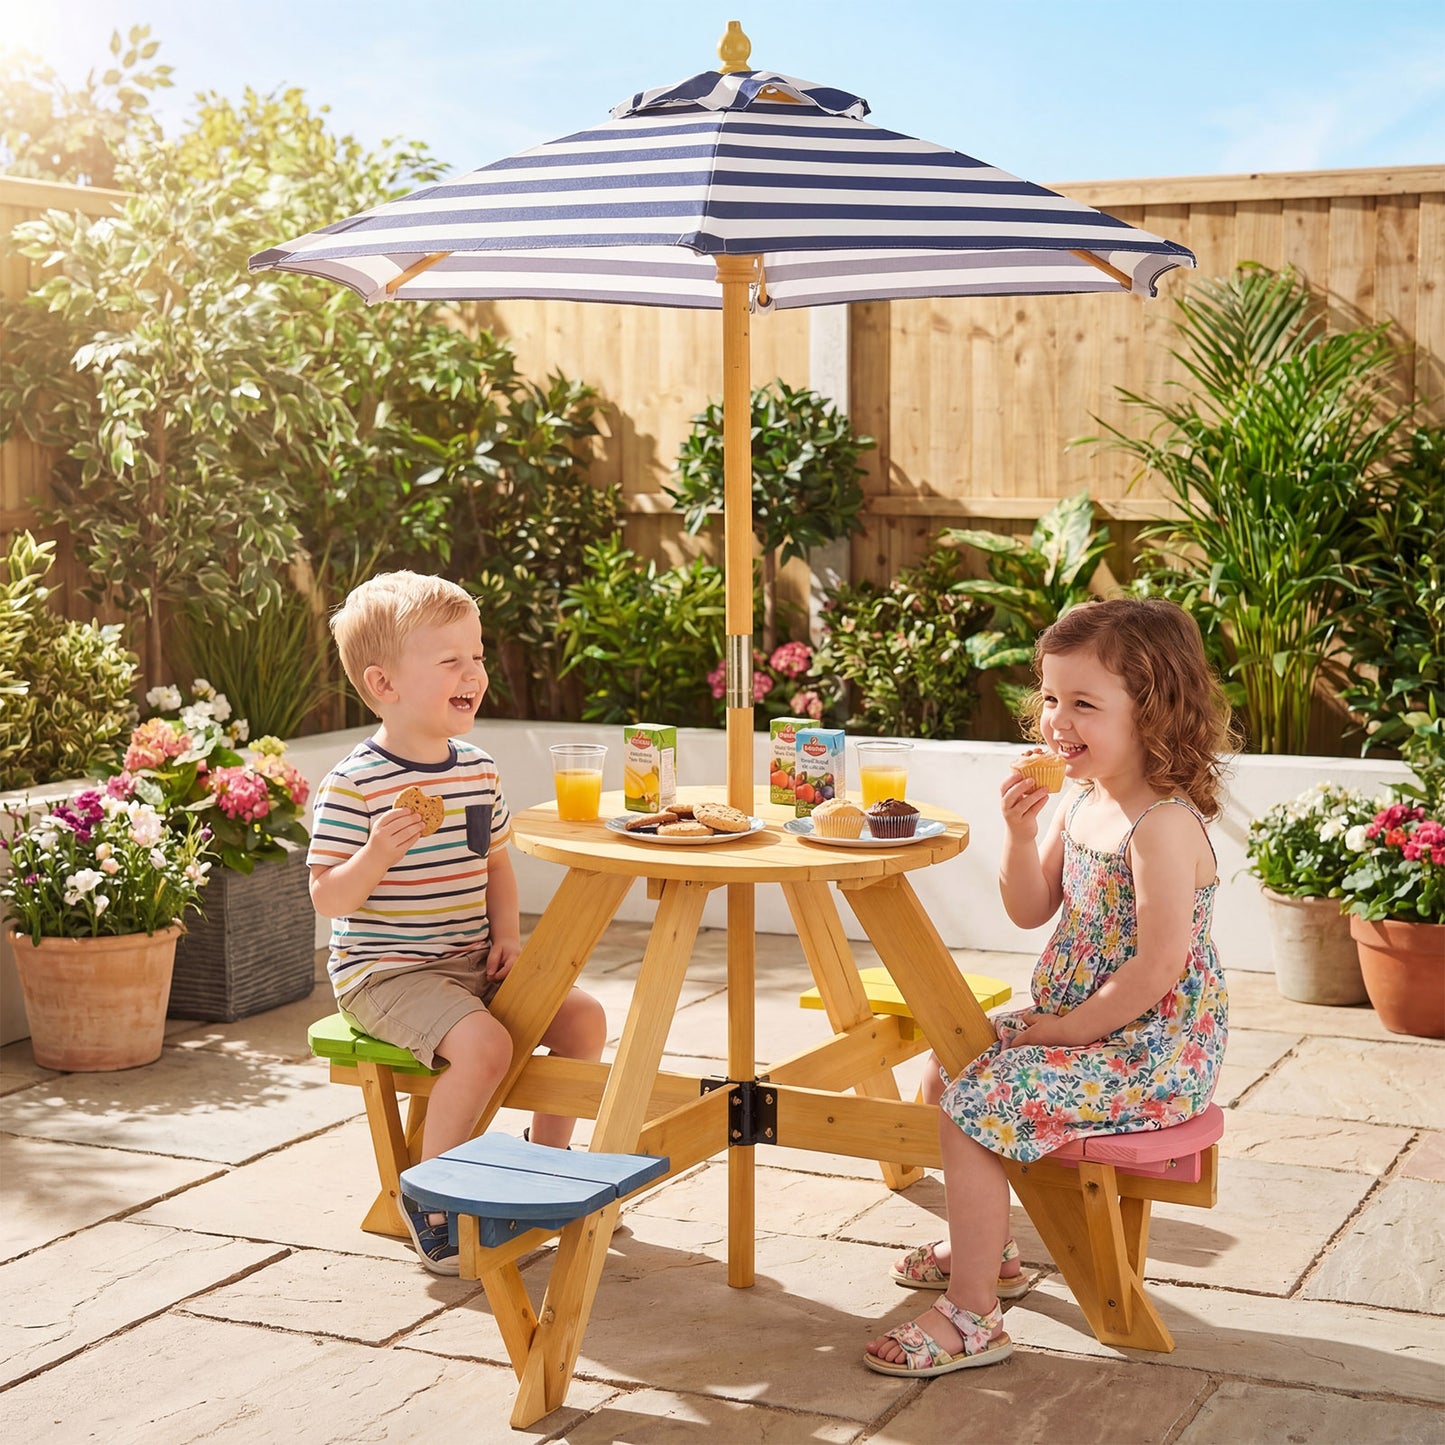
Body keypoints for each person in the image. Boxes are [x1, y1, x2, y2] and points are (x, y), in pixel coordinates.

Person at [865, 596, 1236, 1377]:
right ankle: (990, 1251)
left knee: (975, 1107)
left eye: (1083, 703)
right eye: (1048, 697)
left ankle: (973, 1316)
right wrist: (1021, 832)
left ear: (1154, 710)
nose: (1055, 720)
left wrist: (1064, 1032)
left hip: (1150, 1050)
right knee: (949, 1060)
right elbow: (1030, 908)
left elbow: (1156, 965)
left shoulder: (1161, 823)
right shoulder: (1082, 801)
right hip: (1084, 1027)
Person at [308, 571, 606, 1275]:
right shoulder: (355, 783)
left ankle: (544, 1168)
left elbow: (495, 865)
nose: (473, 671)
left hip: (470, 954)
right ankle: (435, 1195)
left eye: (475, 655)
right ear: (385, 684)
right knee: (484, 1048)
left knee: (582, 1019)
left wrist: (508, 938)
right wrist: (377, 851)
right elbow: (327, 898)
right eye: (450, 661)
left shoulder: (476, 770)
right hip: (387, 971)